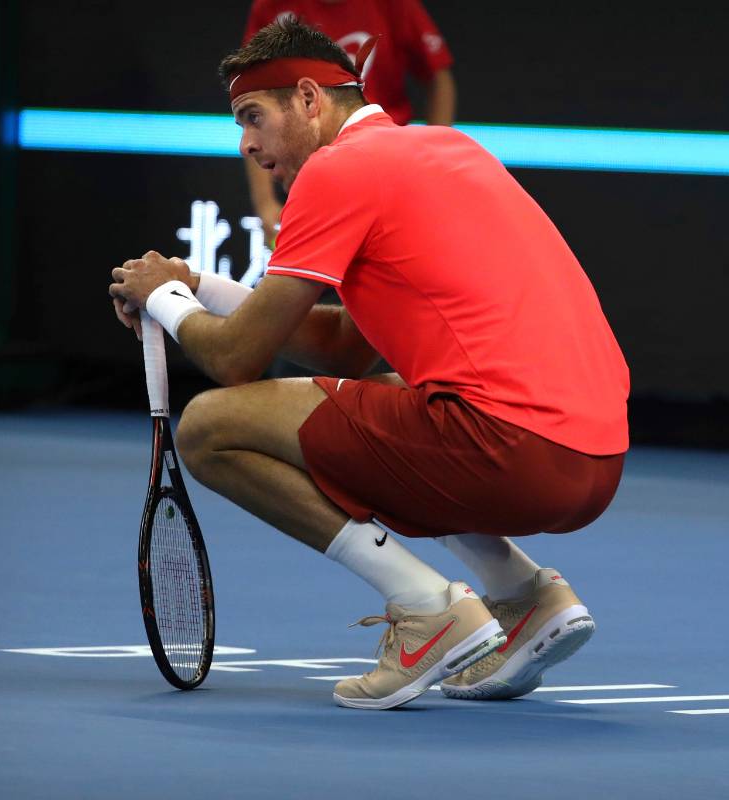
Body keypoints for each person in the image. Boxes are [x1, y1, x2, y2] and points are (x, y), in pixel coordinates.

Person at [108, 18, 629, 710]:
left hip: (514, 451)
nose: (248, 144)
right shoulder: (443, 149)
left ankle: (425, 608)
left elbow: (236, 360)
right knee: (379, 391)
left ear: (309, 100)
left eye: (253, 117)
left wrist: (163, 301)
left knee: (209, 426)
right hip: (596, 460)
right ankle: (526, 595)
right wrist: (195, 287)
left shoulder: (337, 171)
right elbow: (349, 345)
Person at [242, 0, 456, 239]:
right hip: (309, 180)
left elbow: (439, 78)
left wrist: (431, 161)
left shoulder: (396, 5)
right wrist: (265, 202)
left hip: (386, 172)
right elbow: (254, 103)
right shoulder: (270, 7)